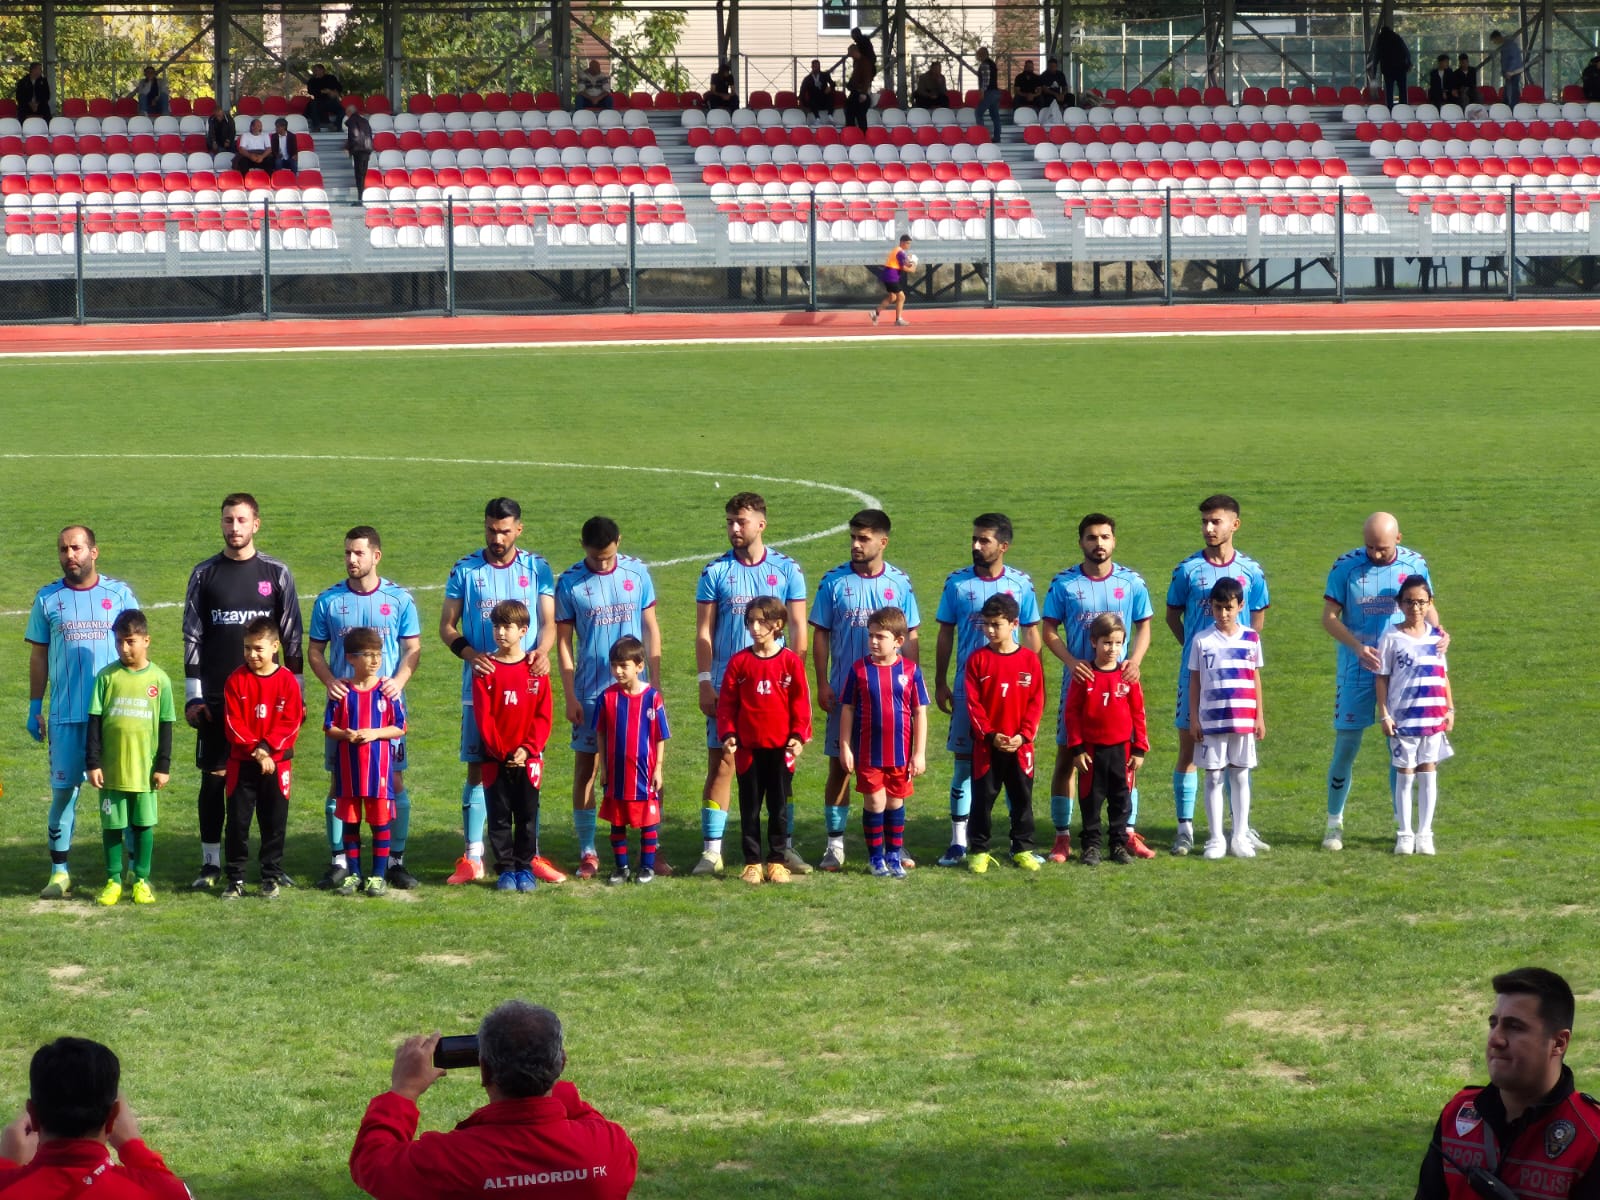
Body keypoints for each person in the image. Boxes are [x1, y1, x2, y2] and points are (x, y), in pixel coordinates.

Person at [349, 1002, 638, 1200]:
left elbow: (372, 1162)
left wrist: (404, 1090)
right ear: (561, 1064)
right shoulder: (610, 1149)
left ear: (484, 1069)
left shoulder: (450, 1161)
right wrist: (542, 1071)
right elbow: (581, 1116)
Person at [182, 493, 301, 891]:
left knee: (270, 783)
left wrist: (296, 696)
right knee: (216, 781)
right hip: (221, 701)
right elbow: (192, 636)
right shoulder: (204, 574)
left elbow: (292, 637)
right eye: (228, 520)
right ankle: (211, 863)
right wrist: (193, 695)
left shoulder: (276, 572)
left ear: (256, 524)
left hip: (272, 703)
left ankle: (271, 866)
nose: (234, 528)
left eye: (241, 520)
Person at [439, 498, 560, 886]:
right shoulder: (465, 569)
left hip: (524, 683)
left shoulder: (537, 567)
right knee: (478, 768)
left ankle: (530, 857)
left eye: (504, 530)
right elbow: (447, 626)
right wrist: (472, 655)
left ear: (518, 529)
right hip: (482, 687)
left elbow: (549, 622)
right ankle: (474, 857)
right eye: (491, 529)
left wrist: (542, 652)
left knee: (528, 772)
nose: (497, 537)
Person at [692, 492, 806, 878]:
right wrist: (706, 681)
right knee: (722, 764)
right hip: (729, 688)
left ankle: (782, 850)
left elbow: (799, 633)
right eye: (729, 521)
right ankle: (712, 852)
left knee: (779, 773)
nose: (734, 529)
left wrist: (793, 686)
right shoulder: (715, 572)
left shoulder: (788, 570)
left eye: (740, 521)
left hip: (775, 692)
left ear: (761, 524)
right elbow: (704, 632)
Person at [25, 525, 140, 901]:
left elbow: (137, 649)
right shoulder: (48, 600)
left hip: (115, 716)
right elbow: (39, 656)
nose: (69, 555)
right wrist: (34, 707)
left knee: (124, 793)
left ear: (94, 551)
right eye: (63, 549)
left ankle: (133, 872)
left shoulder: (119, 595)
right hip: (65, 716)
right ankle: (59, 872)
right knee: (63, 794)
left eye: (76, 548)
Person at [1415, 968, 1600, 1200]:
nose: (1495, 1039)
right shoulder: (1457, 1114)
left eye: (1514, 1027)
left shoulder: (1592, 1135)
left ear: (1559, 1043)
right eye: (1494, 1024)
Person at [308, 525, 422, 891]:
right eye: (347, 553)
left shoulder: (400, 599)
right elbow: (315, 651)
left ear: (376, 555)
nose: (351, 560)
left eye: (358, 553)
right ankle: (341, 860)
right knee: (340, 784)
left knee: (395, 782)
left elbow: (413, 649)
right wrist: (330, 682)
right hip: (346, 710)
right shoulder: (328, 601)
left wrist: (398, 683)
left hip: (383, 711)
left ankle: (394, 861)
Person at [1320, 511, 1441, 851]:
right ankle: (1333, 823)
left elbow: (1427, 608)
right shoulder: (1345, 567)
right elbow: (1328, 618)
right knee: (1346, 746)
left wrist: (1439, 633)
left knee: (1399, 751)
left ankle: (1402, 826)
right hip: (1356, 670)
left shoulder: (1415, 564)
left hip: (1402, 674)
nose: (1374, 554)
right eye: (1369, 547)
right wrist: (1358, 648)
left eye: (1382, 549)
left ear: (1398, 540)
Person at [810, 509, 919, 872]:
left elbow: (912, 636)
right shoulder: (834, 582)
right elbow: (821, 633)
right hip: (847, 697)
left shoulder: (900, 583)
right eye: (853, 537)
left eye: (864, 538)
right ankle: (835, 845)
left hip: (890, 700)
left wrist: (911, 683)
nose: (856, 545)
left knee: (895, 771)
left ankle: (894, 848)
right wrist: (823, 682)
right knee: (840, 768)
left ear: (882, 542)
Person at [1040, 512, 1153, 863]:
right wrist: (1072, 663)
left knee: (1124, 762)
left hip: (1120, 684)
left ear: (1114, 541)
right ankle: (1062, 836)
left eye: (1105, 537)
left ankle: (1126, 833)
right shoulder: (1064, 584)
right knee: (1068, 758)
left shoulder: (1132, 582)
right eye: (1092, 537)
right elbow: (1048, 630)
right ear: (1081, 542)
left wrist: (1133, 661)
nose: (1099, 543)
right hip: (1080, 686)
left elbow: (1145, 625)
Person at [554, 515, 663, 880]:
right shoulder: (570, 583)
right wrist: (570, 694)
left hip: (637, 694)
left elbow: (650, 627)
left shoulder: (636, 574)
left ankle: (653, 850)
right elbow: (565, 643)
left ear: (619, 540)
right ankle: (588, 850)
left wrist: (655, 683)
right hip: (590, 692)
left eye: (608, 555)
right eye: (595, 557)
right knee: (587, 769)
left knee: (645, 767)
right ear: (583, 546)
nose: (603, 563)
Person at [933, 512, 1041, 867]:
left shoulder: (1022, 584)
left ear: (1003, 546)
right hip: (971, 692)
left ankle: (1018, 844)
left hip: (1012, 692)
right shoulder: (957, 583)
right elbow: (946, 632)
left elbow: (1032, 634)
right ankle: (959, 842)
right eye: (974, 539)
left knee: (1014, 772)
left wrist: (1028, 675)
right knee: (965, 767)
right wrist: (941, 680)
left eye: (985, 540)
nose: (976, 546)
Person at [1165, 494, 1269, 857]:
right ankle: (1185, 828)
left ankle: (1238, 830)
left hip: (1236, 683)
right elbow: (1171, 615)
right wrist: (1194, 653)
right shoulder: (1188, 570)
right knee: (1190, 750)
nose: (1209, 528)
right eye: (1205, 522)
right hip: (1195, 677)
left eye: (1216, 521)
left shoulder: (1251, 571)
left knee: (1239, 758)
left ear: (1234, 524)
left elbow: (1257, 619)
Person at [0, 1037, 190, 1199]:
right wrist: (134, 1148)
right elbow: (172, 1191)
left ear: (33, 1115)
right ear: (113, 1117)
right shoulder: (160, 1192)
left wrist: (6, 1165)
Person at [717, 596, 813, 885]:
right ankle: (752, 863)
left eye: (761, 621)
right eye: (751, 622)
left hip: (780, 750)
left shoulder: (790, 663)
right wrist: (729, 734)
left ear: (778, 624)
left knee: (779, 808)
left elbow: (800, 704)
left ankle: (777, 861)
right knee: (749, 808)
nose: (755, 627)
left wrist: (798, 737)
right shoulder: (740, 662)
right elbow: (727, 705)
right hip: (748, 749)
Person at [85, 610, 173, 907]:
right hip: (112, 770)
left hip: (144, 771)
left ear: (146, 640)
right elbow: (94, 722)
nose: (124, 648)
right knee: (112, 825)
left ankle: (141, 880)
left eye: (130, 641)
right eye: (119, 641)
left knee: (143, 824)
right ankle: (113, 880)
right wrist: (93, 763)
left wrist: (163, 766)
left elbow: (166, 725)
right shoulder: (106, 677)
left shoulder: (159, 680)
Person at [837, 606, 929, 878]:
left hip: (900, 755)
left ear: (899, 641)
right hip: (869, 753)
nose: (874, 642)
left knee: (895, 803)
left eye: (880, 636)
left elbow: (919, 711)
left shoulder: (911, 671)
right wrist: (845, 745)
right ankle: (876, 857)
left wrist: (919, 753)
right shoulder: (860, 670)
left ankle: (894, 854)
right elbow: (848, 709)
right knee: (875, 803)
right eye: (871, 636)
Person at [221, 616, 305, 900]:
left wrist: (267, 748)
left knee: (274, 822)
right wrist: (257, 751)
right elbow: (233, 723)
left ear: (274, 646)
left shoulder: (287, 682)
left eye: (258, 648)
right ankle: (235, 879)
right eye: (247, 648)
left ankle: (270, 876)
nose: (252, 655)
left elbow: (292, 721)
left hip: (277, 764)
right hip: (242, 764)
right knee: (237, 823)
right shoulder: (235, 680)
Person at [472, 600, 554, 894]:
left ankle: (525, 867)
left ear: (523, 631)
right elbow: (484, 717)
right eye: (496, 626)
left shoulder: (536, 669)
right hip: (496, 760)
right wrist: (502, 752)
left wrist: (528, 749)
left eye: (507, 627)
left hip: (528, 760)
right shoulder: (485, 669)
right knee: (499, 816)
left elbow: (544, 715)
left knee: (528, 816)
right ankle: (505, 869)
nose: (500, 633)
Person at [961, 594, 1044, 874]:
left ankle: (1022, 849)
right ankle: (979, 851)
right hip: (987, 747)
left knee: (1022, 800)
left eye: (996, 624)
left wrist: (1024, 735)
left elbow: (1037, 701)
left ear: (1014, 624)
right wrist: (990, 734)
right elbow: (973, 704)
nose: (990, 630)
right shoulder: (977, 660)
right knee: (982, 801)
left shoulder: (1031, 661)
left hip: (1020, 747)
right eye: (986, 625)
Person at [324, 628, 408, 896]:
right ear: (350, 658)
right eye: (367, 655)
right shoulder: (341, 692)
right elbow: (328, 726)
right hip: (349, 769)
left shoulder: (387, 691)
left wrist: (374, 733)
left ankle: (378, 875)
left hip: (378, 770)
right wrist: (345, 734)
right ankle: (354, 874)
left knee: (379, 822)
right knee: (351, 821)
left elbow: (400, 727)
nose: (374, 660)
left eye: (378, 655)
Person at [1376, 576, 1454, 857]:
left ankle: (1425, 833)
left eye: (1421, 602)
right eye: (1409, 602)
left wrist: (1450, 708)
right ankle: (1404, 833)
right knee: (1405, 775)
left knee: (1429, 773)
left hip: (1432, 717)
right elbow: (1382, 678)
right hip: (1404, 719)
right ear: (1400, 604)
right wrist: (1384, 714)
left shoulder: (1437, 638)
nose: (1415, 607)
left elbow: (1443, 675)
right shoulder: (1391, 638)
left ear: (1429, 603)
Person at [1187, 577, 1264, 861]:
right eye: (1218, 608)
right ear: (1211, 607)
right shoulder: (1202, 640)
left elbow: (1255, 678)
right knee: (1214, 777)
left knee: (1240, 775)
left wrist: (1260, 717)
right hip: (1212, 720)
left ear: (1241, 606)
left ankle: (1240, 835)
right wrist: (1194, 719)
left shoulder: (1251, 639)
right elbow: (1195, 680)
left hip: (1243, 718)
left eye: (1229, 608)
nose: (1224, 614)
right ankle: (1216, 837)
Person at [1064, 613, 1148, 868]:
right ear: (1094, 642)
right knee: (1091, 800)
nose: (1112, 649)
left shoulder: (1128, 675)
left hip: (1121, 751)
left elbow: (1138, 712)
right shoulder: (1085, 674)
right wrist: (1077, 748)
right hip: (1091, 751)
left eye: (1118, 643)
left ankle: (1119, 844)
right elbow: (1072, 713)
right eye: (1106, 643)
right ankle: (1091, 846)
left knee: (1121, 800)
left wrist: (1139, 748)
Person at [594, 636, 670, 886]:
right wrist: (603, 768)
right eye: (614, 665)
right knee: (617, 822)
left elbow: (660, 736)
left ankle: (647, 867)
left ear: (639, 666)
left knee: (648, 823)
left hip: (644, 774)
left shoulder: (652, 698)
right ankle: (621, 867)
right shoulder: (607, 698)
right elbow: (601, 734)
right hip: (617, 774)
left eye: (623, 666)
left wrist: (658, 768)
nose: (617, 671)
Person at [870, 234, 914, 327]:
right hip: (891, 276)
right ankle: (898, 320)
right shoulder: (900, 252)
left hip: (888, 275)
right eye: (907, 243)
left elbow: (905, 262)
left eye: (909, 243)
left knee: (892, 297)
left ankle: (876, 312)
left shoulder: (898, 251)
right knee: (901, 297)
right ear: (902, 242)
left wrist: (910, 262)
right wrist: (912, 268)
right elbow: (904, 267)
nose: (909, 245)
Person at [1373, 24, 1412, 108]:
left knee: (1389, 89)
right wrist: (1409, 63)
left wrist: (1374, 70)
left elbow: (1376, 55)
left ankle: (1390, 107)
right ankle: (1403, 106)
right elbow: (1406, 51)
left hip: (1388, 69)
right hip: (1401, 67)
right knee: (1402, 88)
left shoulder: (1381, 39)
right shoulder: (1397, 37)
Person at [844, 34, 876, 132]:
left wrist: (863, 93)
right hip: (857, 91)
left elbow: (867, 78)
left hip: (861, 92)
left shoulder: (864, 62)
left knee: (858, 114)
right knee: (852, 112)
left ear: (854, 52)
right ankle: (853, 132)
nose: (850, 56)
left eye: (850, 54)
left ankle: (858, 133)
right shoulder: (858, 62)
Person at [345, 101, 374, 197]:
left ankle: (360, 197)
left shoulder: (352, 121)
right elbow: (369, 135)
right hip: (367, 149)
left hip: (358, 150)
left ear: (349, 112)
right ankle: (361, 197)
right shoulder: (364, 121)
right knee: (363, 175)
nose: (346, 115)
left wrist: (348, 148)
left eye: (347, 113)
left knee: (359, 175)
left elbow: (353, 136)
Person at [306, 62, 345, 131]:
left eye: (318, 70)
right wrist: (322, 91)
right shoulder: (312, 81)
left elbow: (339, 87)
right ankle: (317, 126)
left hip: (331, 101)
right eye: (315, 71)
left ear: (323, 70)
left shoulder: (331, 78)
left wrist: (334, 92)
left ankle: (336, 126)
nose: (317, 72)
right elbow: (310, 91)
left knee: (342, 110)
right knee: (312, 105)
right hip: (318, 101)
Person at [974, 46, 1002, 141]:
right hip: (995, 92)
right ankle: (997, 137)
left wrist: (982, 91)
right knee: (995, 115)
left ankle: (982, 137)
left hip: (989, 92)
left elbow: (986, 79)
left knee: (978, 112)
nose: (976, 56)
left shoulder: (985, 64)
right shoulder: (992, 64)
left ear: (981, 54)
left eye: (978, 54)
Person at [1492, 31, 1524, 107]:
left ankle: (1512, 108)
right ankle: (1507, 106)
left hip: (1512, 73)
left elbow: (1514, 59)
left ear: (1498, 38)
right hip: (1509, 73)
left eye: (1494, 40)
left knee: (1512, 92)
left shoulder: (1509, 45)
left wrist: (1510, 71)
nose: (1494, 42)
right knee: (1509, 91)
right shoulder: (1506, 45)